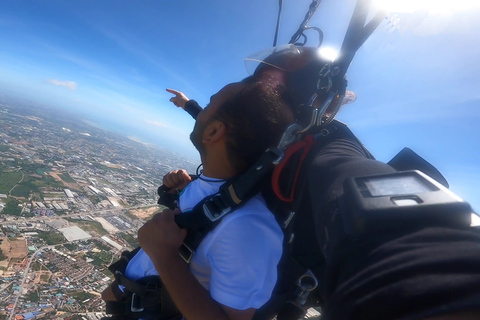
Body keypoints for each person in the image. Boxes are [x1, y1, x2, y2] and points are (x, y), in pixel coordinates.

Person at [163, 50, 480, 319]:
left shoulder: (326, 144)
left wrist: (438, 266)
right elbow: (232, 124)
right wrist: (191, 107)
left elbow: (356, 179)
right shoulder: (274, 134)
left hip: (266, 284)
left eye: (260, 86)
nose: (251, 95)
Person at [102, 76, 294, 320]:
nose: (201, 112)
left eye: (210, 104)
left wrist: (164, 256)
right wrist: (180, 194)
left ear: (214, 132)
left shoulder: (247, 227)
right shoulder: (217, 187)